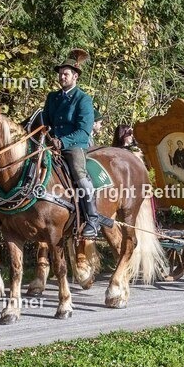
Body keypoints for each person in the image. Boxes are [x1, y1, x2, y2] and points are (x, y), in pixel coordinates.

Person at [43, 48, 111, 239]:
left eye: (65, 74)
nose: (61, 77)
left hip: (74, 145)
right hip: (51, 144)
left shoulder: (83, 99)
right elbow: (45, 121)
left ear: (75, 77)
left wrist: (62, 141)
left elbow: (84, 130)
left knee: (79, 174)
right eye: (60, 74)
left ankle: (92, 219)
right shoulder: (52, 97)